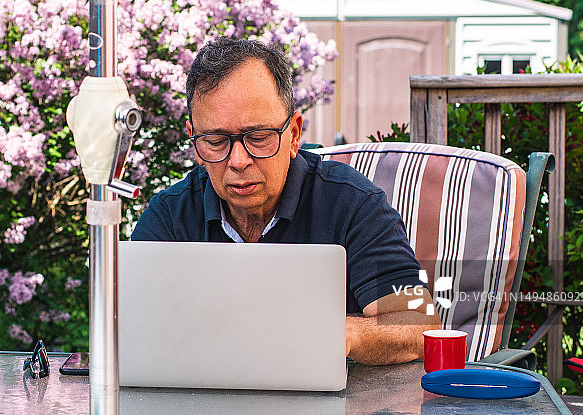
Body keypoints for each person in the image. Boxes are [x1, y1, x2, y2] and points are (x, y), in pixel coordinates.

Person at [132, 37, 441, 365]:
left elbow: (418, 324)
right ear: (195, 144)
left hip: (334, 410)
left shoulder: (351, 204)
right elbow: (127, 329)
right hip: (195, 406)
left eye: (259, 138)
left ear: (293, 134)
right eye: (215, 141)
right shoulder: (170, 216)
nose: (238, 160)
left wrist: (344, 333)